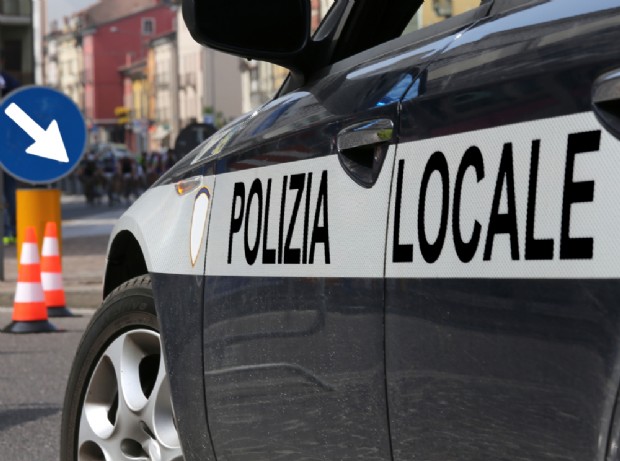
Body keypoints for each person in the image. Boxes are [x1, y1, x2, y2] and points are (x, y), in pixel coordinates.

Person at [0, 49, 20, 245]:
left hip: (6, 149)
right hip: (7, 149)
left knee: (8, 193)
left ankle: (11, 230)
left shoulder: (8, 82)